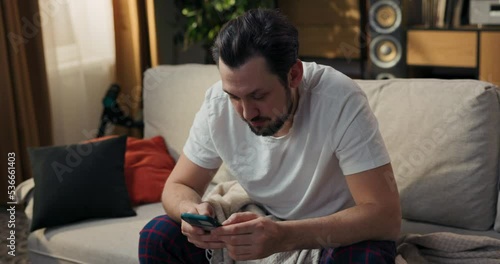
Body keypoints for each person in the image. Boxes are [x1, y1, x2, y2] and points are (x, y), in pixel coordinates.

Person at [139, 8, 401, 263]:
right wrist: (190, 213)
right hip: (259, 215)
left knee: (367, 258)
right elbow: (178, 186)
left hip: (331, 227)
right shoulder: (216, 105)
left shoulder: (340, 99)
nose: (246, 112)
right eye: (234, 96)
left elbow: (384, 216)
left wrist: (284, 237)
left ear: (294, 75)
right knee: (157, 236)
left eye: (258, 96)